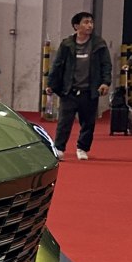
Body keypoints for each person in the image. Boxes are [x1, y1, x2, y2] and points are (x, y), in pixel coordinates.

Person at [47, 11, 112, 160]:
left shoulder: (99, 44)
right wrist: (51, 84)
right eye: (86, 22)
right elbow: (57, 65)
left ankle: (82, 148)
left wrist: (105, 82)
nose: (89, 25)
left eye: (91, 22)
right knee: (64, 122)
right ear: (76, 26)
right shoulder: (67, 45)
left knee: (88, 123)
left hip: (89, 91)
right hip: (69, 90)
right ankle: (59, 148)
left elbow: (106, 65)